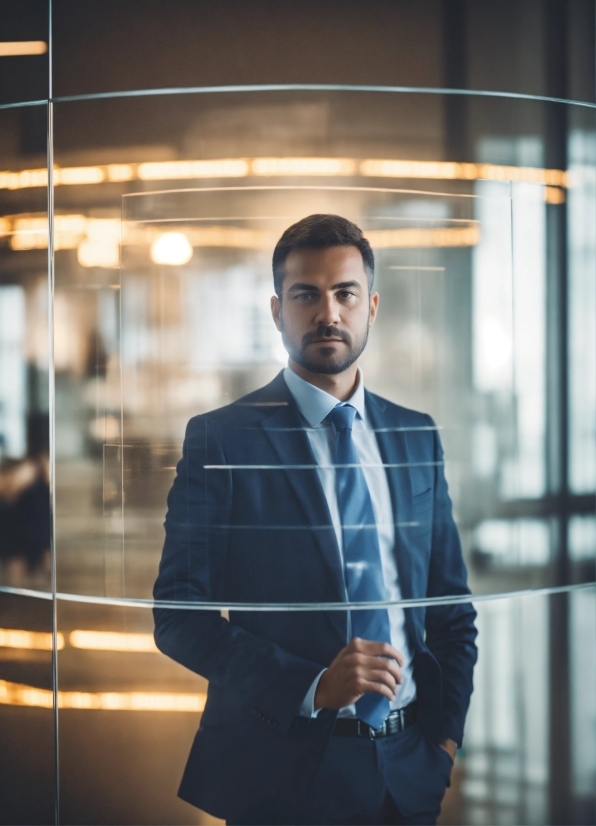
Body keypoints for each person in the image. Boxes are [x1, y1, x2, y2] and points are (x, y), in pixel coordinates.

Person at [153, 214, 477, 825]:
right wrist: (312, 686)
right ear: (277, 311)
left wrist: (444, 743)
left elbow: (452, 610)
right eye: (305, 294)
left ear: (372, 306)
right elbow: (177, 615)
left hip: (409, 772)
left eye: (345, 293)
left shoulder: (415, 435)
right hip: (280, 773)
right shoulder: (221, 440)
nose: (327, 312)